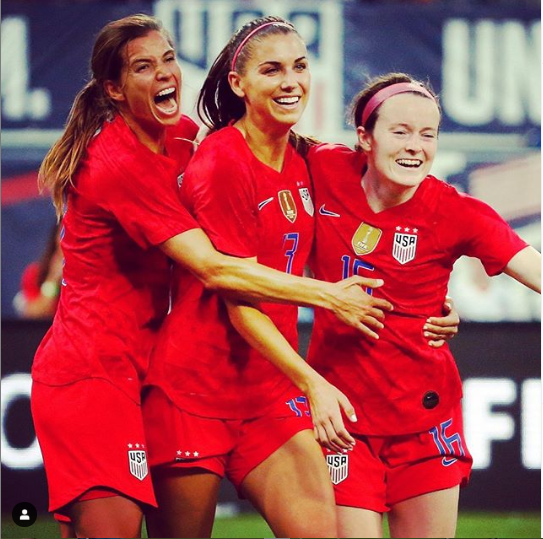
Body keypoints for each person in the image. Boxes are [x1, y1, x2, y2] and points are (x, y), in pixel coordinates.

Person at [29, 14, 395, 539]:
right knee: (109, 529)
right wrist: (328, 299)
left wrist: (423, 296)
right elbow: (218, 271)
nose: (164, 75)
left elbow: (379, 218)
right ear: (113, 88)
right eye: (143, 67)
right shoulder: (126, 159)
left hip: (182, 372)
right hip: (106, 372)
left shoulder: (184, 139)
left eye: (169, 59)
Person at [141, 19, 459, 539]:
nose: (292, 81)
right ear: (239, 84)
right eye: (272, 70)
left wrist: (430, 303)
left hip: (269, 390)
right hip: (194, 391)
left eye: (300, 66)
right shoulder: (221, 161)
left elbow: (381, 219)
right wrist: (313, 378)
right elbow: (235, 292)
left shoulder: (307, 156)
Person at [304, 72, 541, 538]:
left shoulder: (458, 212)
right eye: (400, 132)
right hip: (344, 422)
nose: (416, 146)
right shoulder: (323, 167)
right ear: (363, 137)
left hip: (425, 421)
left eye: (427, 134)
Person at [13, 222, 63, 319]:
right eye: (64, 234)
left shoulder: (93, 274)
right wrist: (52, 280)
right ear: (55, 239)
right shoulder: (35, 273)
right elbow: (34, 315)